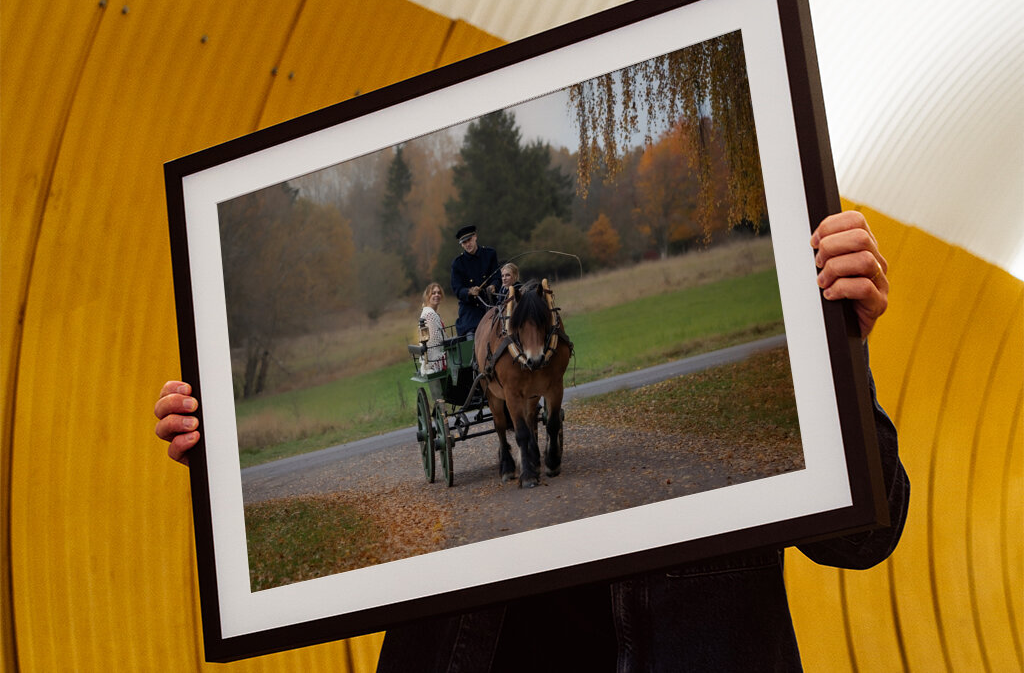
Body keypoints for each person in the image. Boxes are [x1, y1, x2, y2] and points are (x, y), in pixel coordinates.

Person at [154, 211, 907, 672]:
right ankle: (504, 421)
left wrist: (839, 348)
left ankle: (540, 397)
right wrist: (221, 460)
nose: (472, 245)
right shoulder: (462, 269)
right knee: (472, 335)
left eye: (476, 240)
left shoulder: (807, 327)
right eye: (467, 241)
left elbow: (865, 537)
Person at [449, 225, 501, 336]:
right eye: (464, 242)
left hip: (491, 305)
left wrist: (493, 286)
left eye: (469, 240)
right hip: (470, 311)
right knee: (471, 336)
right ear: (461, 244)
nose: (468, 244)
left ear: (475, 237)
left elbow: (497, 277)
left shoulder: (490, 254)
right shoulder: (458, 263)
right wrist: (469, 291)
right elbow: (457, 289)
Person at [418, 282, 447, 374]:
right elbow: (436, 338)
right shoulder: (430, 314)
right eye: (433, 293)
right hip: (436, 358)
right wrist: (449, 341)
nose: (437, 295)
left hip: (431, 356)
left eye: (439, 293)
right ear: (428, 296)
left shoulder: (427, 311)